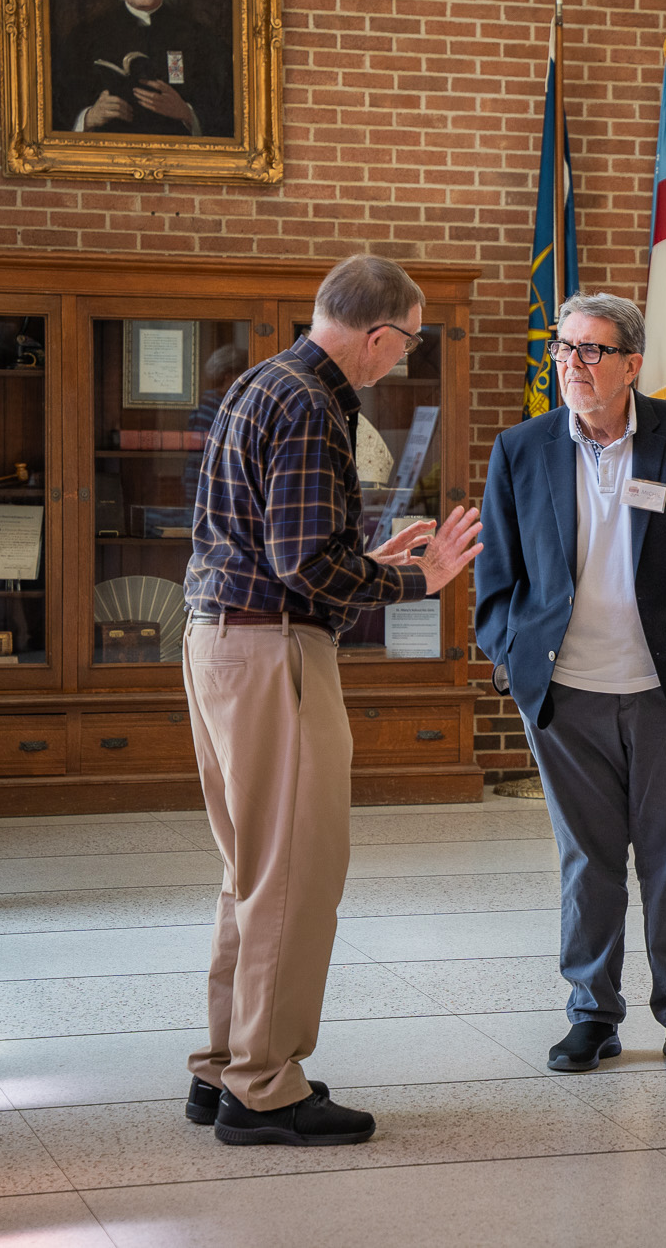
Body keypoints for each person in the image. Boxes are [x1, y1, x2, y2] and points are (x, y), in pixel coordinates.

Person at [181, 254, 483, 1144]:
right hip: (274, 651)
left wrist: (371, 561)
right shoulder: (317, 405)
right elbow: (305, 566)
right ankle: (264, 1087)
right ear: (378, 335)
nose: (404, 357)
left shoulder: (262, 382)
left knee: (251, 871)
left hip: (218, 641)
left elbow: (277, 544)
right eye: (408, 343)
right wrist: (417, 581)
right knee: (295, 877)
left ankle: (224, 1066)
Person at [475, 291, 666, 1076]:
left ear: (632, 364)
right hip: (566, 697)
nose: (572, 363)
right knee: (588, 861)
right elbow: (497, 580)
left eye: (591, 349)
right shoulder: (522, 448)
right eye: (564, 348)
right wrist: (514, 660)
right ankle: (592, 1014)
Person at [55, 0, 232, 138]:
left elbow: (228, 114)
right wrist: (88, 118)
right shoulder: (85, 37)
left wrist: (188, 114)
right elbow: (57, 110)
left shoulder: (199, 39)